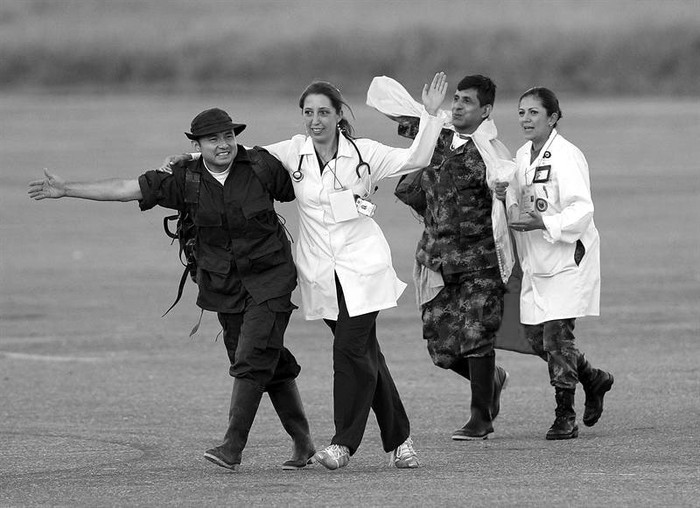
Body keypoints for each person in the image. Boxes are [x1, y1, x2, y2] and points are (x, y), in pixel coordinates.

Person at [166, 74, 449, 469]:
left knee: (349, 351)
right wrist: (192, 158)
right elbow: (241, 153)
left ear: (338, 116)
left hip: (363, 268)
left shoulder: (365, 153)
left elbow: (416, 158)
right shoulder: (293, 151)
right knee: (368, 355)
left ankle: (342, 444)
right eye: (308, 112)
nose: (315, 120)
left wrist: (432, 115)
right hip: (321, 273)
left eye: (323, 112)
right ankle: (400, 441)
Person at [27, 108, 316, 470]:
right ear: (197, 144)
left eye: (228, 136)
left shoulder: (261, 166)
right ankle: (303, 442)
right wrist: (67, 189)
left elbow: (310, 184)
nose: (223, 144)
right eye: (213, 139)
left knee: (252, 357)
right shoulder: (184, 178)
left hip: (270, 278)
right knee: (261, 360)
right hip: (223, 285)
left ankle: (232, 446)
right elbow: (125, 188)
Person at [372, 75, 522, 441]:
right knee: (440, 347)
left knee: (476, 337)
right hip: (436, 259)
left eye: (466, 101)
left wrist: (504, 190)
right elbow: (395, 110)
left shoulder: (491, 152)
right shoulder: (436, 136)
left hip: (479, 261)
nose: (457, 106)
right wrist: (429, 108)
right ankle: (491, 380)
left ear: (485, 111)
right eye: (455, 99)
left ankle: (480, 417)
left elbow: (511, 186)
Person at [502, 87, 614, 440]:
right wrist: (501, 194)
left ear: (552, 118)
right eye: (521, 112)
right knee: (538, 339)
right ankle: (593, 378)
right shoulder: (522, 155)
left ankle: (565, 415)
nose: (525, 119)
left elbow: (582, 208)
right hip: (536, 259)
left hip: (567, 256)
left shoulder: (567, 156)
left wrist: (544, 223)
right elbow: (521, 198)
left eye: (534, 113)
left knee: (556, 337)